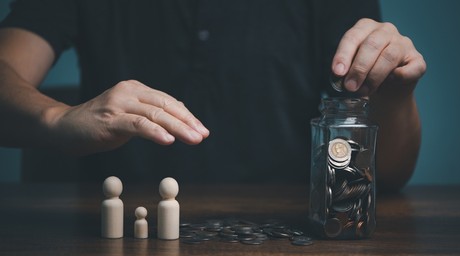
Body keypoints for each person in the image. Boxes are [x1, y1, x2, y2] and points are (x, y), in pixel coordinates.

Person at [0, 0, 425, 192]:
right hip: (117, 237)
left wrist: (395, 94)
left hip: (286, 241)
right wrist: (56, 119)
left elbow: (386, 176)